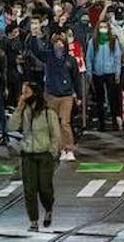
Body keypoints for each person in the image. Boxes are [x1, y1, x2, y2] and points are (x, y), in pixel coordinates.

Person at [11, 81, 61, 232]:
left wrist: (52, 151)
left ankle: (48, 209)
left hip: (44, 155)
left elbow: (55, 134)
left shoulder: (48, 112)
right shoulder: (24, 110)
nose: (23, 96)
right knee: (29, 189)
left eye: (26, 92)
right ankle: (33, 220)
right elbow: (12, 127)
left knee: (45, 187)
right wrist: (18, 109)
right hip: (28, 155)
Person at [30, 32, 81, 161]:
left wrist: (79, 95)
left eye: (60, 42)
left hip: (66, 96)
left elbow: (76, 78)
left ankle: (68, 149)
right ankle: (58, 148)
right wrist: (34, 36)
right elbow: (36, 50)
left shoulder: (71, 60)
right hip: (51, 95)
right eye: (56, 42)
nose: (58, 45)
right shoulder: (48, 56)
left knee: (65, 123)